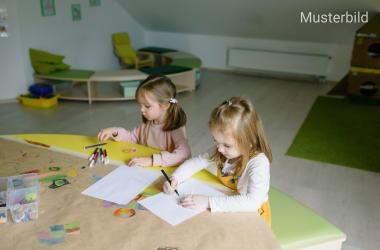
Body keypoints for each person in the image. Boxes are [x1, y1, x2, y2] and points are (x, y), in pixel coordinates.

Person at [163, 97, 272, 226]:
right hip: (228, 206)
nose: (219, 148)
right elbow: (196, 162)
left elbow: (252, 202)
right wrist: (175, 178)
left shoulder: (259, 163)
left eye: (226, 145)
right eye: (216, 141)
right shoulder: (222, 150)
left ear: (249, 141)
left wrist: (208, 202)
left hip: (253, 216)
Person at [97, 75, 191, 167]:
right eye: (140, 105)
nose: (141, 110)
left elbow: (184, 154)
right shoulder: (147, 123)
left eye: (147, 106)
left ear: (165, 105)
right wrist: (115, 131)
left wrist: (152, 161)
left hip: (165, 172)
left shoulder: (175, 128)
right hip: (145, 168)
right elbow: (132, 138)